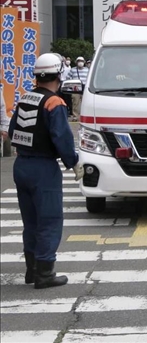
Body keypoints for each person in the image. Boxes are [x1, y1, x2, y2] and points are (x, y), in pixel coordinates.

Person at [8, 54, 82, 289]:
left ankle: (32, 270)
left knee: (31, 222)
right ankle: (45, 272)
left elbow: (12, 132)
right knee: (49, 220)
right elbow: (61, 137)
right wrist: (74, 162)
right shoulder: (55, 103)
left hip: (22, 166)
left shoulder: (24, 99)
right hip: (43, 168)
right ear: (60, 75)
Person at [68, 56, 89, 121]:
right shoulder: (73, 70)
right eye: (79, 61)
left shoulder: (87, 70)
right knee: (75, 102)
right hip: (75, 88)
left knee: (85, 102)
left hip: (85, 87)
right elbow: (68, 78)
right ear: (76, 62)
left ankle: (86, 116)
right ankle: (75, 116)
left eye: (82, 61)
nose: (80, 62)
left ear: (84, 62)